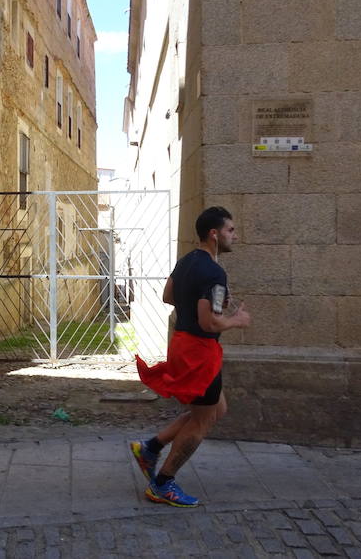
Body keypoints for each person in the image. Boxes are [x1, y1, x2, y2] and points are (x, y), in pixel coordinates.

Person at [129, 206, 251, 507]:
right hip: (200, 350)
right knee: (204, 419)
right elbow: (209, 322)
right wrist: (237, 320)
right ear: (214, 233)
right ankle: (162, 483)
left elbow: (168, 296)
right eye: (230, 230)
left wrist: (206, 302)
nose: (234, 235)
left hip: (183, 344)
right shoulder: (214, 272)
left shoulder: (186, 262)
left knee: (214, 409)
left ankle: (151, 448)